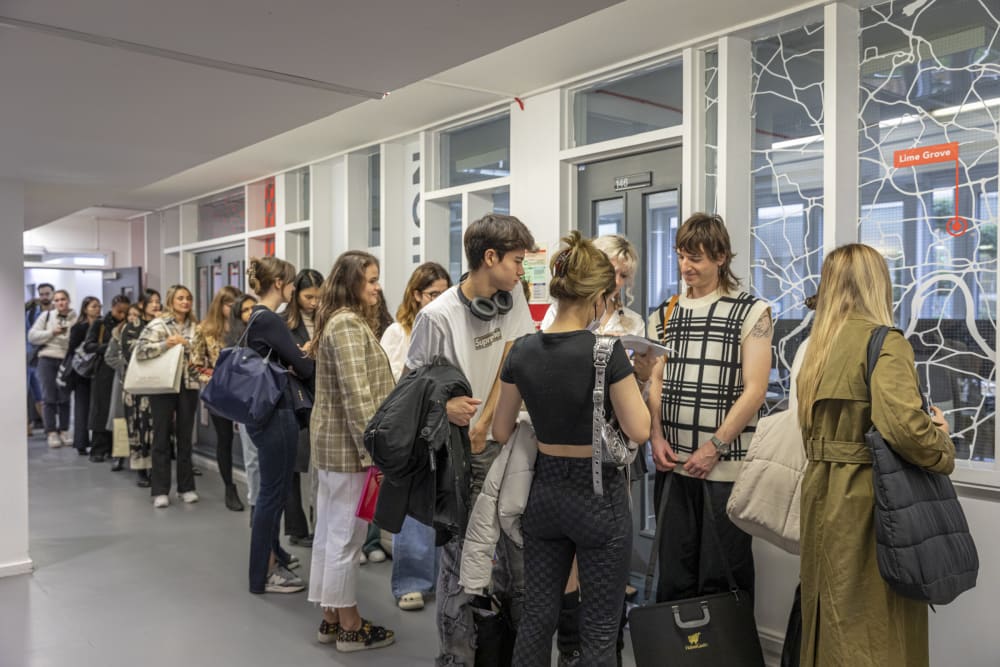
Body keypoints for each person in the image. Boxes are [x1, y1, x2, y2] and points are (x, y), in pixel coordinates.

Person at [492, 230, 650, 665]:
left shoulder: (522, 350)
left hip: (544, 492)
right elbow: (639, 430)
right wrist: (644, 376)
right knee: (599, 629)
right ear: (598, 298)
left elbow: (501, 429)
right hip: (599, 497)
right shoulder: (605, 352)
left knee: (537, 617)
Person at [796, 244, 953, 667]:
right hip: (870, 501)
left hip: (821, 492)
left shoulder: (817, 347)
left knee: (828, 613)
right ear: (876, 283)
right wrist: (941, 441)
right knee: (875, 626)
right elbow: (905, 428)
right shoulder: (884, 342)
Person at [405, 213, 537, 664]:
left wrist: (487, 422)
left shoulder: (512, 298)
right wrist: (445, 411)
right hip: (461, 457)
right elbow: (408, 392)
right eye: (517, 260)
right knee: (462, 569)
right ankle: (456, 657)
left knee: (517, 564)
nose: (521, 271)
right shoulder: (436, 316)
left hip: (507, 445)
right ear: (490, 257)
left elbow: (513, 357)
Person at [646, 212, 772, 605]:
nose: (686, 266)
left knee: (723, 578)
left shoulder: (752, 311)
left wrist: (714, 446)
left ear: (720, 257)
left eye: (696, 258)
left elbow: (755, 390)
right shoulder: (664, 313)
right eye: (681, 256)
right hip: (673, 467)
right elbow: (655, 381)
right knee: (675, 576)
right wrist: (655, 436)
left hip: (725, 469)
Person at [307, 250, 396, 651]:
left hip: (338, 450)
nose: (378, 287)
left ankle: (330, 617)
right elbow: (357, 396)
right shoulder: (346, 324)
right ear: (352, 283)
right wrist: (376, 451)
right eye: (371, 280)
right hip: (351, 452)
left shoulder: (341, 320)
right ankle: (350, 626)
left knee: (330, 534)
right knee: (346, 537)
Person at [379, 261, 450, 611]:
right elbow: (393, 380)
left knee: (440, 504)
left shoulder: (449, 327)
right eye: (433, 294)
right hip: (411, 425)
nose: (439, 300)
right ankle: (411, 581)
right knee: (412, 508)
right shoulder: (398, 332)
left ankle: (436, 578)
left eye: (444, 294)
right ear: (417, 295)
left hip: (443, 423)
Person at [244, 257, 314, 595]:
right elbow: (304, 366)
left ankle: (273, 559)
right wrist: (307, 354)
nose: (293, 288)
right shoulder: (269, 319)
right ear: (278, 284)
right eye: (291, 282)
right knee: (272, 495)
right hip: (277, 413)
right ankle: (264, 572)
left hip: (266, 414)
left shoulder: (257, 318)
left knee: (271, 492)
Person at [135, 285, 199, 508]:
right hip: (163, 385)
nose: (185, 302)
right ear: (171, 301)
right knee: (161, 437)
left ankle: (186, 487)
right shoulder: (158, 324)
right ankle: (160, 490)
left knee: (185, 438)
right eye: (180, 298)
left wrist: (188, 345)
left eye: (188, 298)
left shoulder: (196, 326)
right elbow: (140, 351)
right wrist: (166, 344)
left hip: (189, 385)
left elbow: (203, 353)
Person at [191, 286, 244, 511]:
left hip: (244, 390)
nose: (233, 309)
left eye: (236, 304)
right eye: (229, 305)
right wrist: (213, 376)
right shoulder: (205, 330)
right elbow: (194, 365)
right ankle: (229, 487)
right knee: (225, 438)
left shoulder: (245, 327)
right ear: (220, 305)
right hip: (219, 392)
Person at [282, 269, 323, 546]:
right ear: (296, 294)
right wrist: (302, 353)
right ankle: (297, 529)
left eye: (318, 297)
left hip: (320, 396)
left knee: (318, 470)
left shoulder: (327, 318)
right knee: (295, 466)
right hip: (296, 398)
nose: (314, 303)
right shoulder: (284, 321)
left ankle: (317, 524)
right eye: (309, 297)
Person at [85, 294, 130, 465]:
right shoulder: (101, 324)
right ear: (112, 308)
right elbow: (88, 346)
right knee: (101, 410)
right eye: (119, 311)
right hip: (103, 371)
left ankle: (116, 449)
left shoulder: (130, 324)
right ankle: (98, 449)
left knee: (117, 410)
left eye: (125, 312)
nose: (122, 315)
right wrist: (111, 346)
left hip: (121, 371)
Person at [28, 290, 75, 447]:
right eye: (57, 300)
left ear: (68, 300)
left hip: (66, 360)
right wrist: (51, 332)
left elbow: (74, 340)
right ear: (54, 302)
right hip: (46, 359)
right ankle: (51, 432)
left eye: (63, 299)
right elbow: (32, 336)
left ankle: (64, 430)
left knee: (64, 397)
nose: (60, 302)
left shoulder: (75, 318)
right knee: (48, 397)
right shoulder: (46, 316)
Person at [230, 294, 262, 514]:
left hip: (267, 401)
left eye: (253, 308)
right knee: (252, 457)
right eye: (245, 310)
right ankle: (254, 502)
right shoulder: (235, 340)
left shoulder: (267, 334)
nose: (251, 313)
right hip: (245, 404)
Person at [66, 296, 102, 455]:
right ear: (85, 309)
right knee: (82, 407)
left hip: (98, 370)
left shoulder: (103, 325)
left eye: (99, 306)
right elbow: (72, 349)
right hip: (81, 372)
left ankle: (98, 443)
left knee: (98, 407)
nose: (97, 309)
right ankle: (81, 442)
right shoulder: (79, 327)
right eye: (93, 306)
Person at [26, 283, 55, 435]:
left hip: (50, 357)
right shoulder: (31, 314)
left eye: (47, 294)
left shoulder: (58, 313)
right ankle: (25, 426)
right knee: (25, 393)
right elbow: (26, 335)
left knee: (43, 395)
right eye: (41, 294)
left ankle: (50, 428)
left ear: (53, 294)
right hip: (29, 358)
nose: (44, 297)